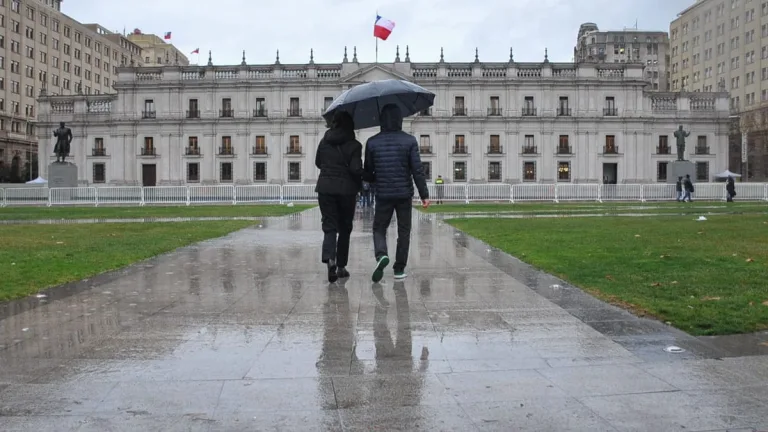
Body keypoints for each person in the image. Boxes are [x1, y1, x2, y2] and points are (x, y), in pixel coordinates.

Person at [364, 104, 430, 282]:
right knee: (404, 231)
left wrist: (374, 179)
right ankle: (399, 269)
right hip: (404, 194)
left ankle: (381, 255)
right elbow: (417, 170)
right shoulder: (409, 141)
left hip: (383, 193)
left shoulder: (372, 142)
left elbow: (368, 172)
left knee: (379, 228)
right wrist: (424, 195)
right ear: (400, 120)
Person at [315, 111, 369, 283]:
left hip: (325, 189)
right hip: (346, 191)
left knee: (329, 226)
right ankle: (341, 266)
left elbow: (318, 162)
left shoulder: (324, 142)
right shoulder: (355, 145)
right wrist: (365, 174)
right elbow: (355, 169)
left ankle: (329, 259)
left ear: (335, 124)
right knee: (345, 229)